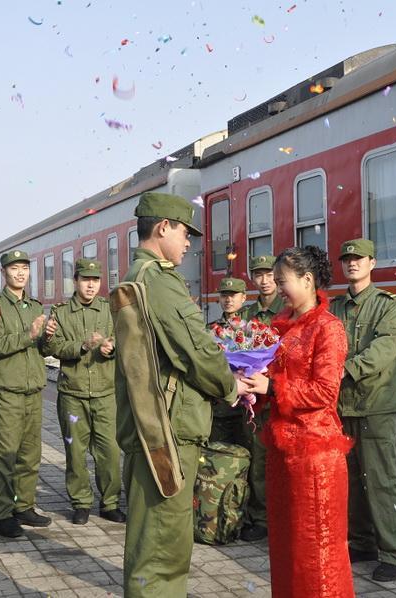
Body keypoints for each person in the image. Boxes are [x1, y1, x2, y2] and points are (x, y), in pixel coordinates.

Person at [115, 192, 241, 597]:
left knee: (156, 543)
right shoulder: (159, 280)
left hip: (156, 425)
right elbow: (198, 350)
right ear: (163, 227)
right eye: (185, 233)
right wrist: (232, 386)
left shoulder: (140, 275)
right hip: (169, 432)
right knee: (162, 550)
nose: (189, 243)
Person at [241, 245, 354, 598]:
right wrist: (248, 385)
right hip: (282, 451)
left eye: (281, 281)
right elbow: (270, 382)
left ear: (307, 280)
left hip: (315, 456)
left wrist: (272, 386)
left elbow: (324, 393)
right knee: (287, 546)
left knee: (317, 551)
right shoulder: (283, 326)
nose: (275, 288)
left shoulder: (329, 329)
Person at [329, 238, 396, 582]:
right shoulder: (334, 308)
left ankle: (394, 553)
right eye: (347, 259)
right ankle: (362, 542)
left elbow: (383, 350)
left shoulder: (389, 305)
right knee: (350, 480)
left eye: (359, 258)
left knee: (380, 481)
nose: (352, 264)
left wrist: (341, 369)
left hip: (376, 405)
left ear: (372, 263)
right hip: (343, 406)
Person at [0, 250, 51, 538]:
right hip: (7, 391)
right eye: (14, 269)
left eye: (24, 269)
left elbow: (42, 349)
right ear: (3, 272)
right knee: (4, 455)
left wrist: (48, 337)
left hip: (33, 389)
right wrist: (28, 336)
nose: (20, 273)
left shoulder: (35, 306)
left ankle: (24, 505)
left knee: (30, 455)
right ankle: (2, 513)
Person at [42, 258, 125, 525]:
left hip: (105, 393)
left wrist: (111, 350)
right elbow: (53, 347)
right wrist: (82, 346)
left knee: (109, 451)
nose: (91, 285)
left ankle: (110, 502)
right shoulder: (62, 312)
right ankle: (80, 503)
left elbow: (124, 342)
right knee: (75, 451)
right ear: (75, 281)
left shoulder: (110, 310)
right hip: (72, 395)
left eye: (96, 280)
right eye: (86, 280)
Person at [236, 254, 284, 542]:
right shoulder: (246, 316)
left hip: (280, 393)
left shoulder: (288, 310)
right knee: (257, 458)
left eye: (269, 274)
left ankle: (280, 518)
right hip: (254, 397)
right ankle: (260, 518)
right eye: (259, 275)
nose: (264, 280)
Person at [207, 277, 250, 456]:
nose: (228, 300)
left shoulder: (252, 328)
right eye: (224, 295)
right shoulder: (210, 330)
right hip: (222, 406)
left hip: (247, 406)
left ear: (244, 298)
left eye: (233, 295)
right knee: (221, 456)